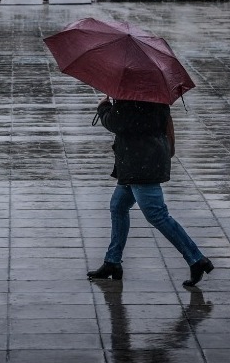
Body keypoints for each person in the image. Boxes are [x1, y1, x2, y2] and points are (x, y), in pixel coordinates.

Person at [87, 95, 213, 287]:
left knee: (157, 215)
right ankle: (112, 261)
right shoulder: (154, 93)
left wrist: (103, 107)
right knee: (118, 207)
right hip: (140, 161)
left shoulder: (133, 98)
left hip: (141, 164)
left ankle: (196, 259)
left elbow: (117, 123)